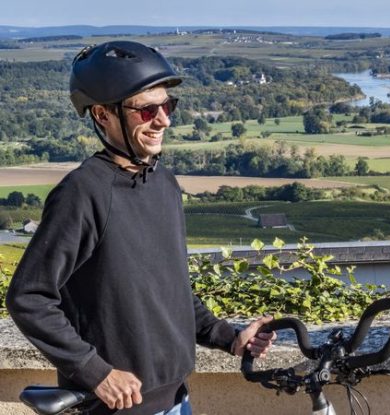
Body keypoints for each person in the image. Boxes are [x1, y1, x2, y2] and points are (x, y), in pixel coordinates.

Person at [5, 40, 276, 414]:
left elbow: (170, 289)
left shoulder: (162, 183)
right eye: (147, 110)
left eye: (167, 106)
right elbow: (28, 297)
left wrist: (228, 337)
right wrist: (94, 370)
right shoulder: (83, 193)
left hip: (178, 401)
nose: (163, 120)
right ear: (102, 115)